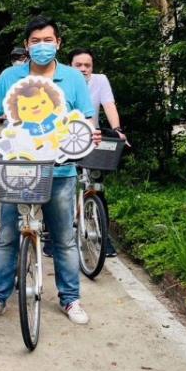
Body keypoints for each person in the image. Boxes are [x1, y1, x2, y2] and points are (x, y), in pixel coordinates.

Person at [0, 16, 99, 325]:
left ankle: (71, 299)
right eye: (35, 41)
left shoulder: (73, 79)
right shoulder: (10, 77)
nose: (41, 46)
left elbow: (86, 121)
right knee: (7, 236)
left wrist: (90, 135)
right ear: (27, 46)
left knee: (64, 239)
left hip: (60, 173)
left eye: (48, 40)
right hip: (18, 172)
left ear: (58, 43)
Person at [69, 48, 125, 258]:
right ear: (70, 67)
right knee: (61, 187)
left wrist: (117, 129)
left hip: (92, 139)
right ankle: (53, 235)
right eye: (78, 65)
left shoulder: (100, 80)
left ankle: (103, 237)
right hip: (65, 139)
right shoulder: (64, 81)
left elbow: (108, 105)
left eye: (87, 65)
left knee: (96, 186)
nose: (83, 69)